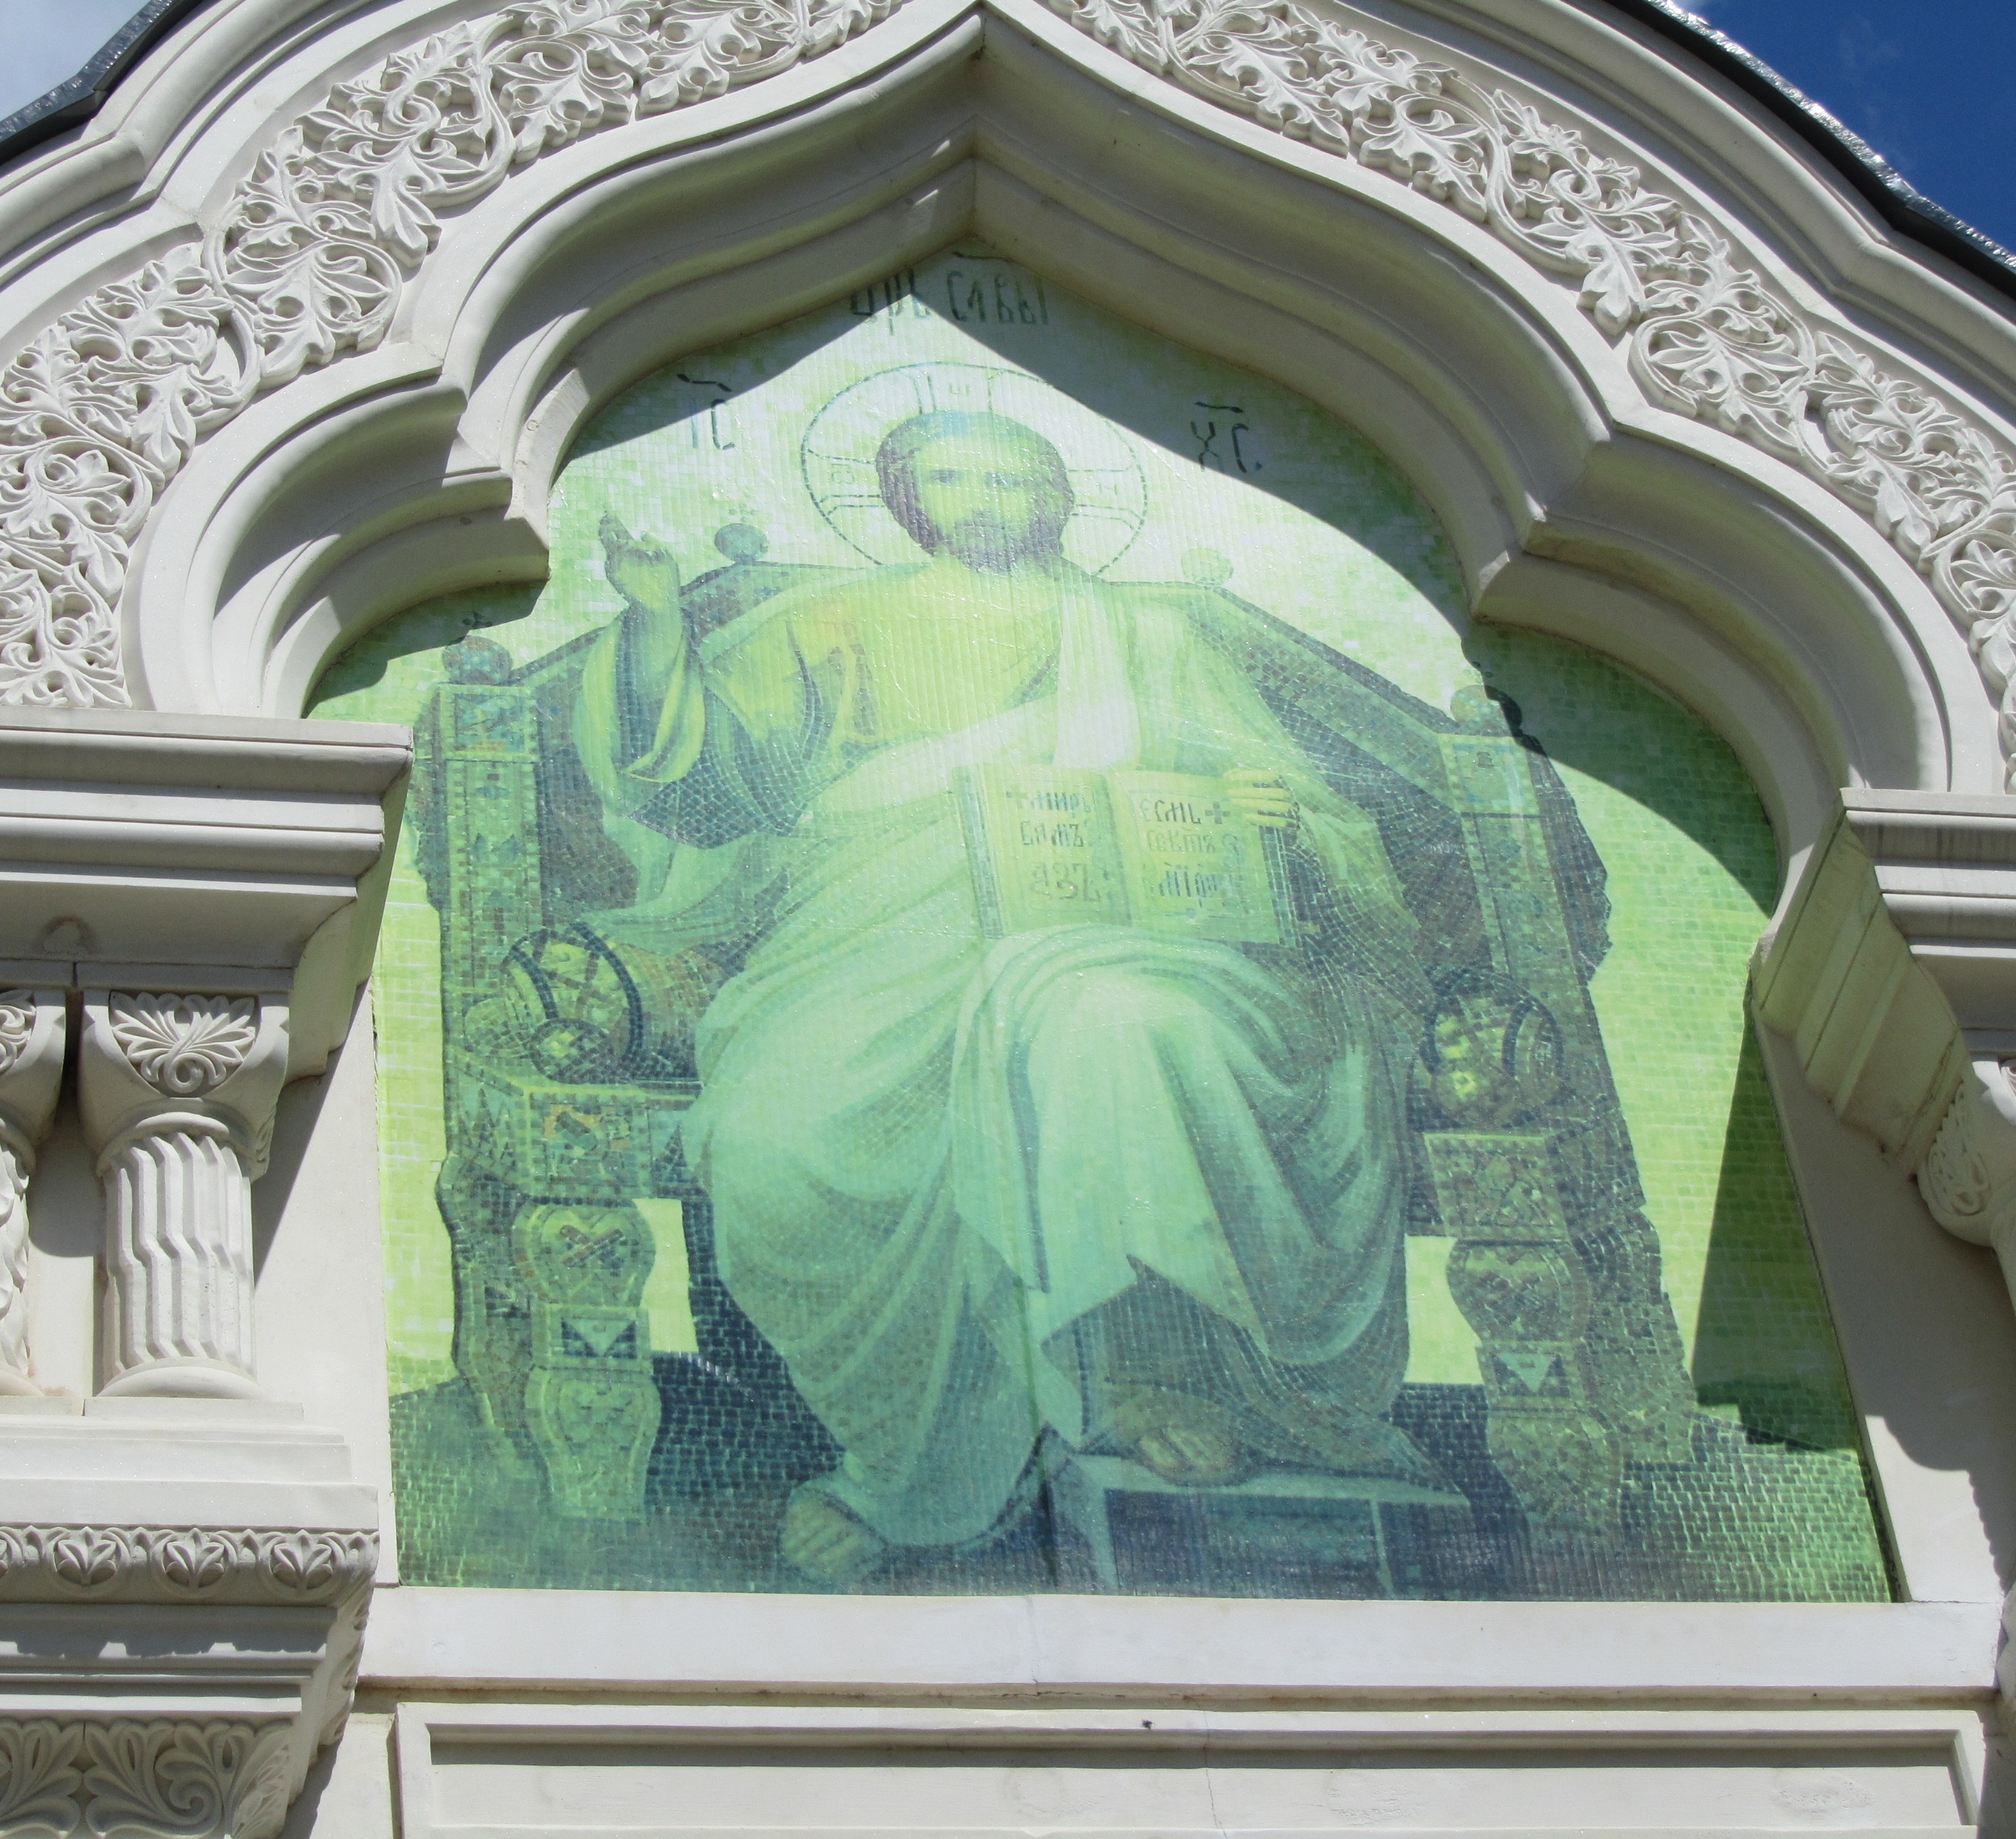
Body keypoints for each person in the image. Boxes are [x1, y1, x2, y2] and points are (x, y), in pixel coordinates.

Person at [575, 408, 1433, 1581]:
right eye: (952, 478)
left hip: (1122, 941)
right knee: (777, 1145)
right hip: (872, 939)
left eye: (1009, 478)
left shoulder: (1146, 634)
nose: (983, 501)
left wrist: (1274, 817)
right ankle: (909, 1457)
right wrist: (653, 624)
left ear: (1055, 496)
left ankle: (1139, 1374)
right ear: (907, 498)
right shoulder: (837, 619)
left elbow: (1289, 798)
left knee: (1116, 1030)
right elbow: (703, 781)